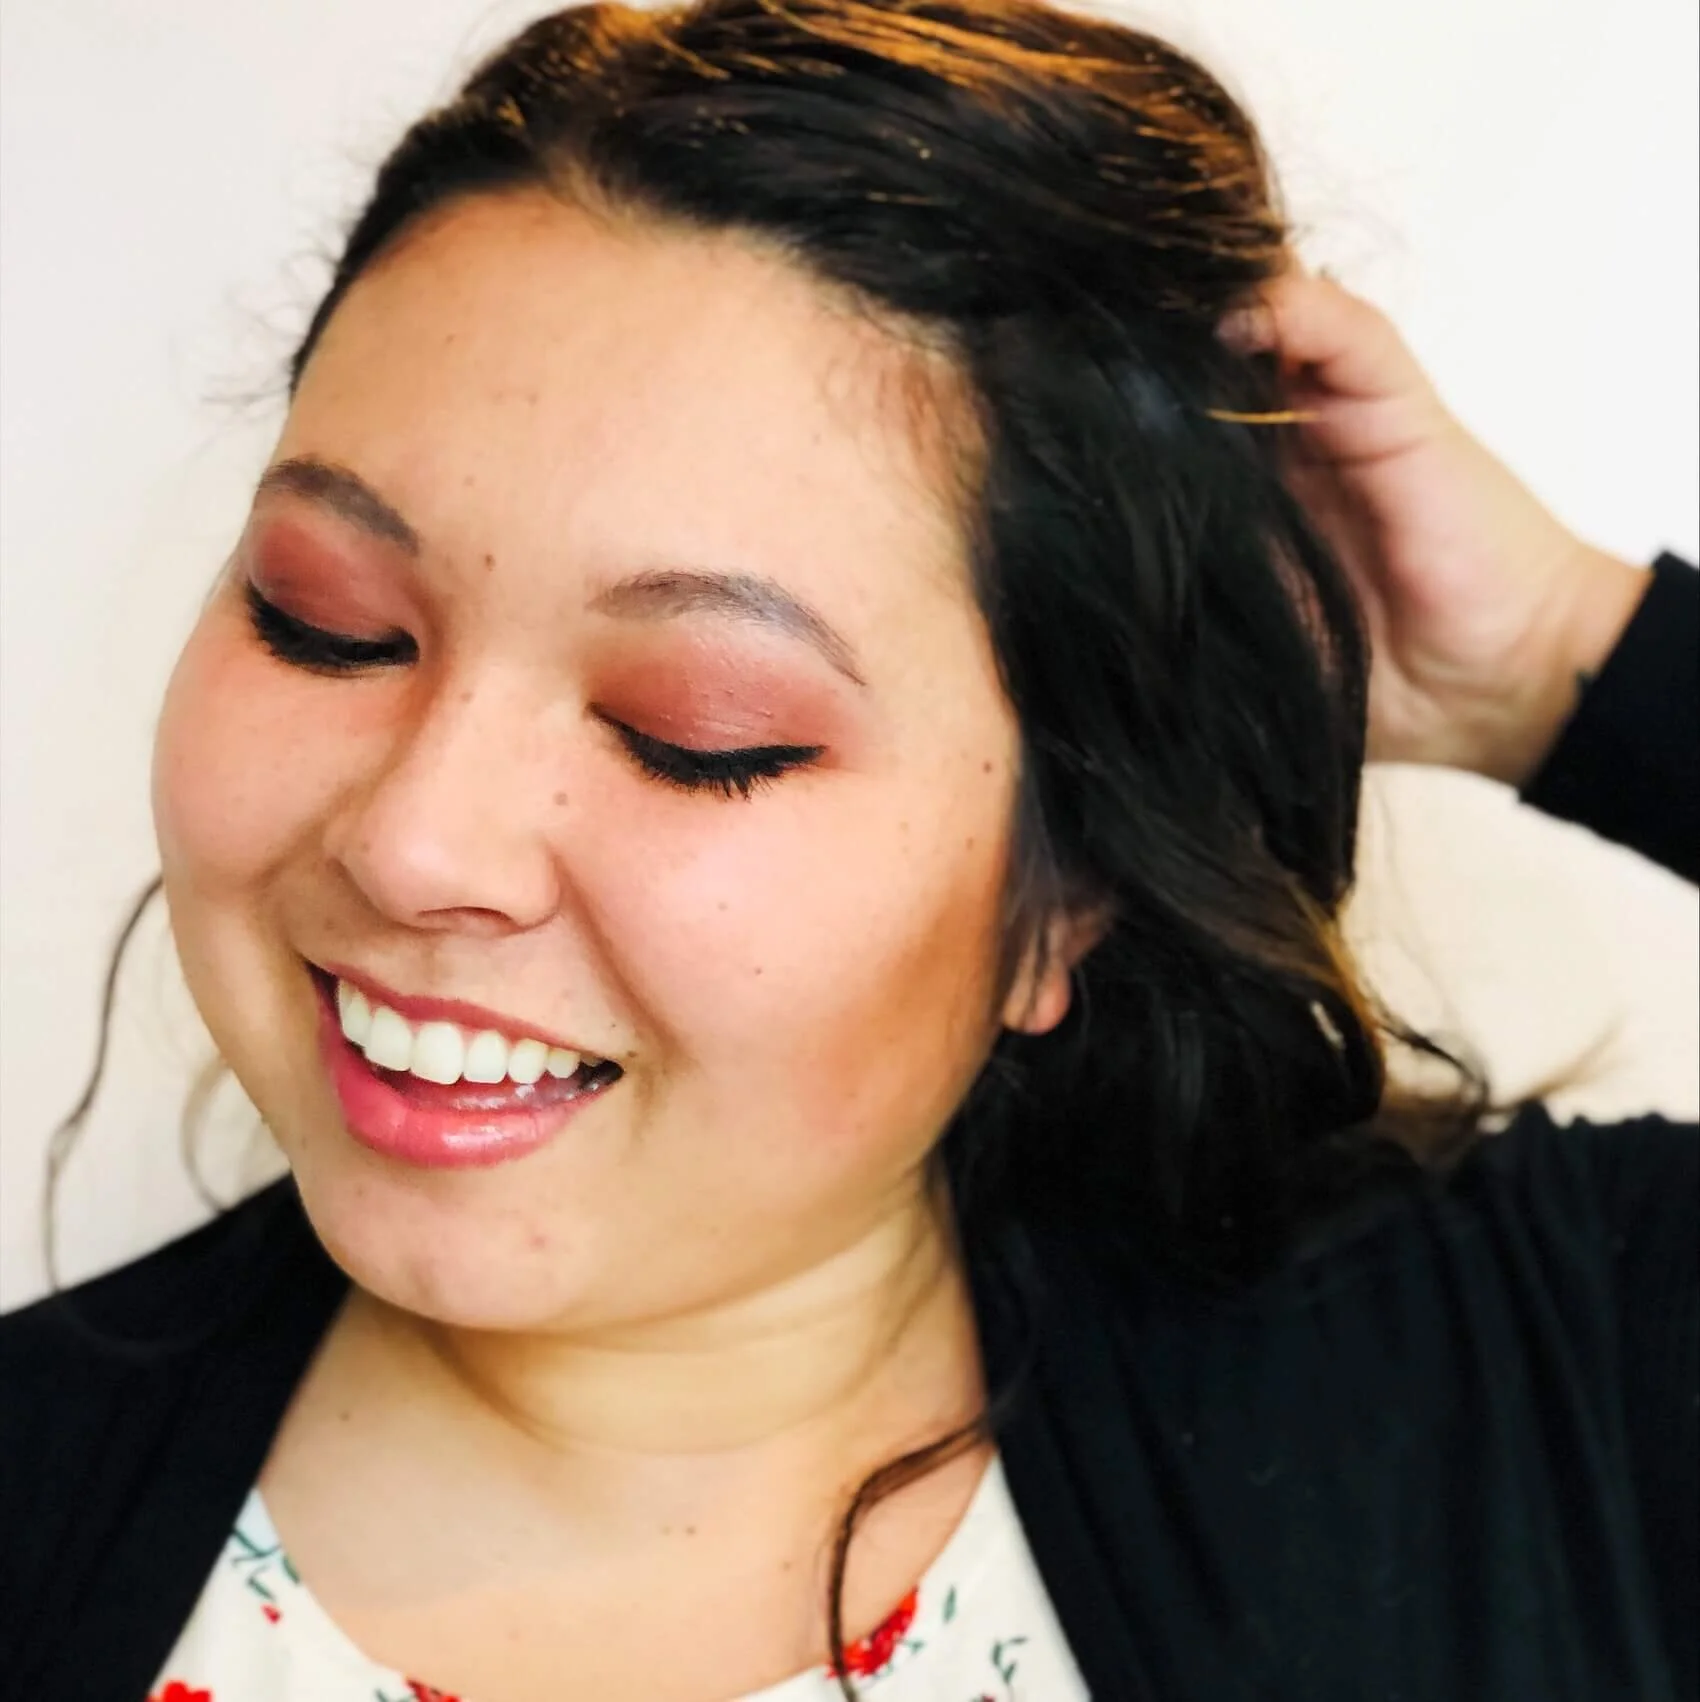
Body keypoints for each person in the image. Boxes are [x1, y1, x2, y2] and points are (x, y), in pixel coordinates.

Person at [1, 1, 1694, 1699]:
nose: (415, 839)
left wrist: (1566, 656)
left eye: (696, 732)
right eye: (326, 623)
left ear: (1067, 888)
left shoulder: (1535, 1394)